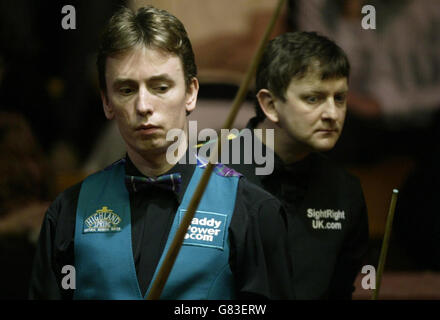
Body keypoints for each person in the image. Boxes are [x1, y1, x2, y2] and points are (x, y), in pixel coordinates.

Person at [28, 6, 293, 300]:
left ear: (191, 93)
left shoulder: (252, 211)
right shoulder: (68, 212)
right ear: (106, 102)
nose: (143, 106)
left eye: (160, 87)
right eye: (126, 90)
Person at [223, 31, 369, 299]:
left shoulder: (346, 191)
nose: (332, 114)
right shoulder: (210, 174)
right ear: (270, 104)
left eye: (339, 98)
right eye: (313, 98)